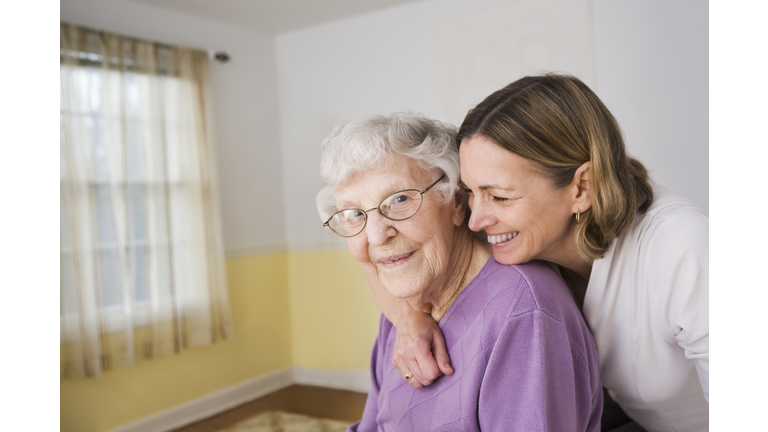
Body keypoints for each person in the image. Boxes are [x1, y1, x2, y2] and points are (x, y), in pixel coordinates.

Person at [371, 74, 709, 432]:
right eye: (470, 192)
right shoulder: (510, 229)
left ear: (582, 187)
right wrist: (408, 319)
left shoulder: (683, 246)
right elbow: (375, 255)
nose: (476, 219)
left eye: (499, 196)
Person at [316, 113, 602, 431]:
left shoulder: (523, 313)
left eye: (398, 199)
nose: (376, 236)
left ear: (455, 201)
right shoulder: (407, 299)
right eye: (354, 213)